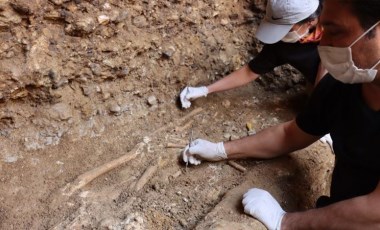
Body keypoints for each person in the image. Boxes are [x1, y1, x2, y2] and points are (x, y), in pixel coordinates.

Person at [182, 0, 380, 229]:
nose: (324, 43)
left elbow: (375, 212)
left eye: (335, 31)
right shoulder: (341, 87)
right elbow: (290, 134)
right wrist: (220, 150)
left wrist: (286, 221)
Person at [180, 0, 325, 109]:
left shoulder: (340, 14)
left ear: (310, 21)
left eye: (285, 28)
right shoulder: (282, 44)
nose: (281, 33)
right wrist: (205, 90)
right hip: (319, 83)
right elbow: (250, 71)